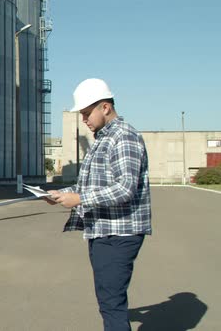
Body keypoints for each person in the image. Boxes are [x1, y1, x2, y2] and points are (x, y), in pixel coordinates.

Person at [45, 78, 152, 331]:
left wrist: (80, 199)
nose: (83, 119)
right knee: (109, 299)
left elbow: (125, 187)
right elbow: (90, 185)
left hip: (119, 232)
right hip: (104, 230)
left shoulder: (123, 137)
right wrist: (60, 193)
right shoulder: (103, 138)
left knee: (111, 303)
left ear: (105, 107)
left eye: (85, 112)